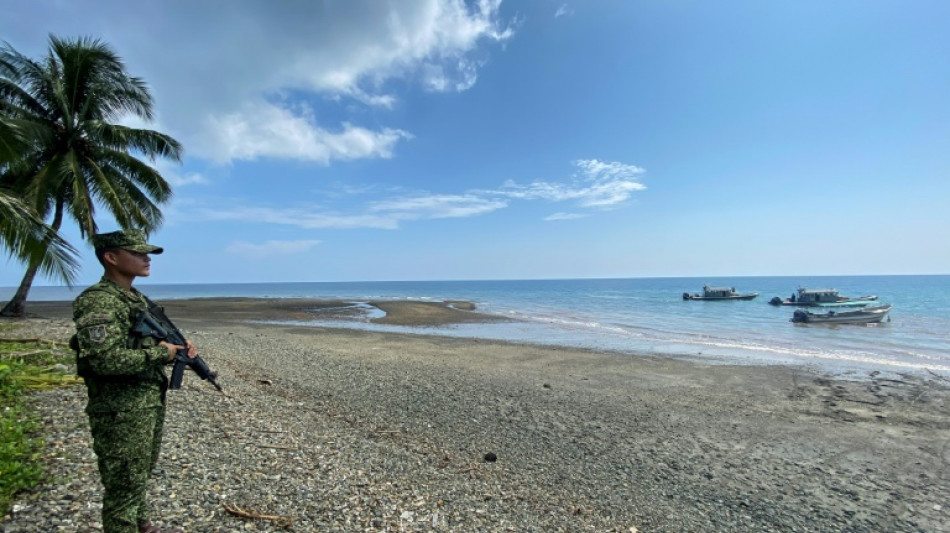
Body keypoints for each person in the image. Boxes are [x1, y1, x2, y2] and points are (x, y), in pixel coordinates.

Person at [72, 229, 196, 533]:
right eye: (137, 253)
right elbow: (104, 360)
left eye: (146, 253)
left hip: (145, 403)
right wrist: (159, 355)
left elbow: (147, 341)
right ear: (111, 257)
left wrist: (179, 348)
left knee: (137, 477)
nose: (145, 259)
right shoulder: (98, 302)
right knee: (122, 491)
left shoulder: (135, 299)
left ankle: (145, 527)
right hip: (119, 408)